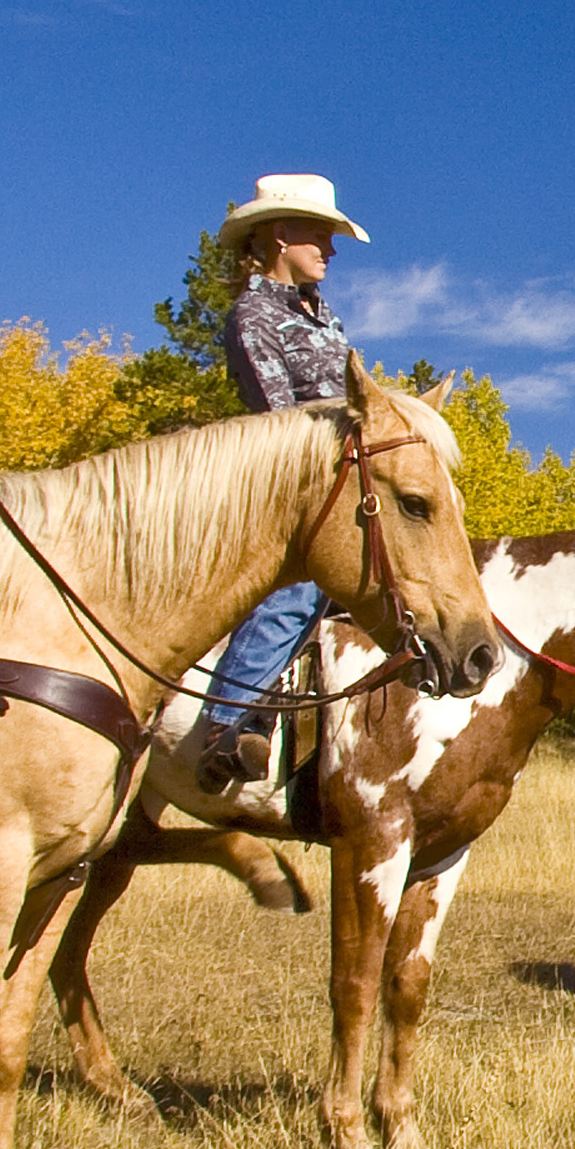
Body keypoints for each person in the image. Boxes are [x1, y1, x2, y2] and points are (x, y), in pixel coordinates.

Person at [199, 173, 372, 790]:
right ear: (280, 235)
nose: (331, 249)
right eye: (320, 235)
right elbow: (279, 419)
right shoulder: (254, 315)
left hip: (345, 477)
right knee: (300, 589)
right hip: (293, 482)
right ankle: (225, 725)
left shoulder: (324, 316)